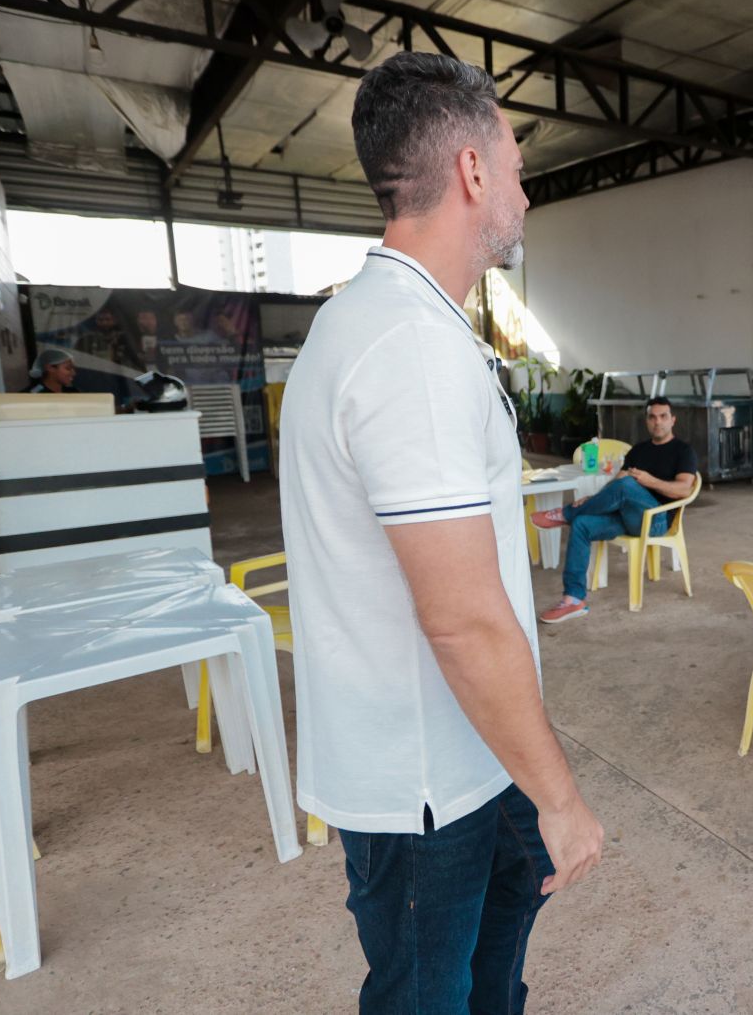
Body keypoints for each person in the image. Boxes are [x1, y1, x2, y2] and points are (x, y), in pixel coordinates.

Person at [278, 51, 602, 1014]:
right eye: (512, 160)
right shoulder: (409, 349)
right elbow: (461, 618)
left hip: (466, 757)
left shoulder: (392, 322)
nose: (523, 193)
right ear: (469, 171)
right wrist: (560, 795)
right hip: (426, 785)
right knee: (427, 992)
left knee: (484, 978)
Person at [530, 396, 698, 624]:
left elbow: (683, 490)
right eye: (652, 417)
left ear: (672, 420)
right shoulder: (639, 450)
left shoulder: (683, 451)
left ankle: (565, 514)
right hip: (627, 517)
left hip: (657, 521)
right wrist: (594, 499)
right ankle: (573, 599)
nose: (657, 422)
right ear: (646, 420)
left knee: (628, 484)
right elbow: (616, 484)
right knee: (582, 525)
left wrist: (650, 481)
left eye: (663, 416)